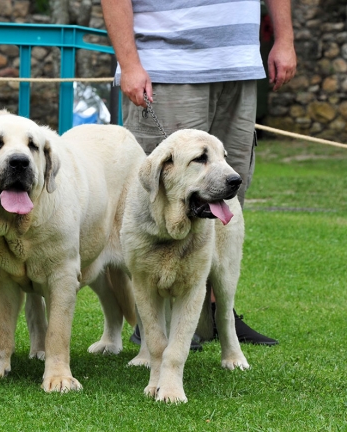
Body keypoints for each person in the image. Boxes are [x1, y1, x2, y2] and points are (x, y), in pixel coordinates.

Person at [101, 0, 297, 347]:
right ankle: (154, 323)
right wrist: (129, 63)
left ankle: (212, 314)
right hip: (169, 67)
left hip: (238, 64)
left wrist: (284, 39)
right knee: (160, 199)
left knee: (227, 196)